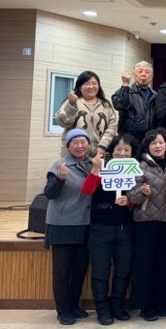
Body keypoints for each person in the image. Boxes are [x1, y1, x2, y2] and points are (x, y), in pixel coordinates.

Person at [82, 133, 138, 325]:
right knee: (100, 271)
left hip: (126, 228)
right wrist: (95, 169)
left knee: (124, 269)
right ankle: (102, 308)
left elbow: (139, 198)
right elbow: (88, 190)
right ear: (111, 152)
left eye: (126, 150)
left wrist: (129, 201)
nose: (122, 153)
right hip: (100, 228)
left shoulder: (134, 170)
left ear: (132, 152)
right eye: (118, 149)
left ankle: (117, 305)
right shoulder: (102, 168)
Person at [127, 127, 166, 321]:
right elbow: (131, 196)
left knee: (165, 264)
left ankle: (163, 303)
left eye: (161, 142)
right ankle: (146, 306)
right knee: (145, 265)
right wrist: (142, 193)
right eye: (153, 143)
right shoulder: (139, 166)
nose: (158, 146)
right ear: (147, 146)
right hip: (146, 222)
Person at [44, 129, 94, 325]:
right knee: (62, 271)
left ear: (89, 144)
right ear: (68, 146)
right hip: (62, 224)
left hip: (85, 223)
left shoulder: (93, 165)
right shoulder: (60, 165)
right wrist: (60, 178)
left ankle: (74, 305)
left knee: (80, 268)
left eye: (83, 142)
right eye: (75, 142)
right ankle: (63, 310)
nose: (80, 146)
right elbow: (49, 193)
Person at [56, 70, 118, 157]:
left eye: (94, 83)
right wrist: (71, 105)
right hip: (74, 153)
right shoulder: (72, 101)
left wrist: (103, 145)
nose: (91, 86)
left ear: (98, 86)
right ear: (80, 87)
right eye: (87, 84)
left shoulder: (106, 105)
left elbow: (112, 128)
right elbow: (62, 123)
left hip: (99, 154)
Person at [111, 61, 156, 142]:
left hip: (149, 140)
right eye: (140, 71)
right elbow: (119, 105)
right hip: (128, 139)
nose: (143, 74)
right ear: (134, 75)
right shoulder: (125, 91)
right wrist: (125, 84)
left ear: (152, 76)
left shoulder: (155, 95)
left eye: (147, 72)